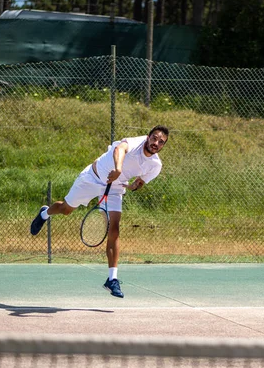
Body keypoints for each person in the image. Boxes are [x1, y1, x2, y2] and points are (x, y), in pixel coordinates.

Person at [30, 125, 169, 298]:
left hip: (115, 188)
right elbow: (120, 148)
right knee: (65, 209)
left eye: (161, 142)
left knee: (114, 229)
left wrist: (135, 185)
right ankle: (45, 213)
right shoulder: (136, 142)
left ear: (163, 146)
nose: (156, 143)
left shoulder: (155, 165)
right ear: (148, 136)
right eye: (154, 138)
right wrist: (118, 169)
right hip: (93, 178)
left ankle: (112, 279)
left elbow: (141, 181)